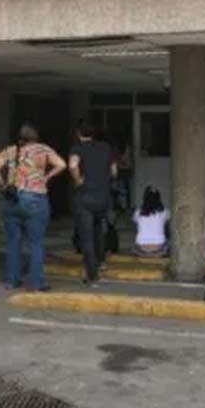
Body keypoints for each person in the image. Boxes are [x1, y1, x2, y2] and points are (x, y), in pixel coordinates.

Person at [0, 122, 67, 291]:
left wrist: (4, 185)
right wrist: (47, 177)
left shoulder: (10, 150)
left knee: (13, 242)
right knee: (36, 243)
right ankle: (37, 282)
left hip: (12, 199)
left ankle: (12, 280)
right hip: (35, 199)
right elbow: (62, 164)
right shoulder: (43, 150)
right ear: (35, 137)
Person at [68, 122, 117, 286]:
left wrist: (78, 180)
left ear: (79, 134)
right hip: (103, 197)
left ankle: (92, 275)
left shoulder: (78, 148)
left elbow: (73, 165)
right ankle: (100, 261)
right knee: (98, 232)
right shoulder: (105, 148)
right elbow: (114, 171)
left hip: (85, 197)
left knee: (87, 238)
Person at [133, 187, 169, 257]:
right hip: (159, 248)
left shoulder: (137, 212)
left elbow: (136, 225)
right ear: (158, 198)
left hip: (141, 249)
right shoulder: (165, 212)